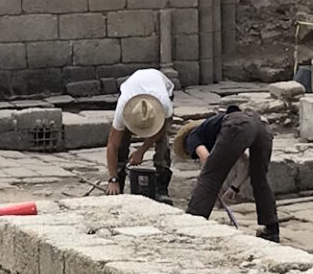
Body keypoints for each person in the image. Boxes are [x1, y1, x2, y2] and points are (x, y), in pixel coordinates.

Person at [174, 107, 279, 242]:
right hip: (261, 124)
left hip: (238, 124)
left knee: (209, 178)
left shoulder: (192, 136)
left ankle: (193, 223)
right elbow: (246, 163)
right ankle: (271, 229)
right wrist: (235, 187)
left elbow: (207, 161)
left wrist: (210, 183)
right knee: (260, 178)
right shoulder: (216, 131)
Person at [105, 68, 174, 197]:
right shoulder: (123, 108)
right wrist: (112, 179)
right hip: (134, 87)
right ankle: (118, 182)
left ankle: (161, 186)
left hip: (160, 84)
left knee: (163, 142)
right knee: (121, 143)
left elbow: (162, 129)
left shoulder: (164, 104)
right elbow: (112, 145)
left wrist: (141, 150)